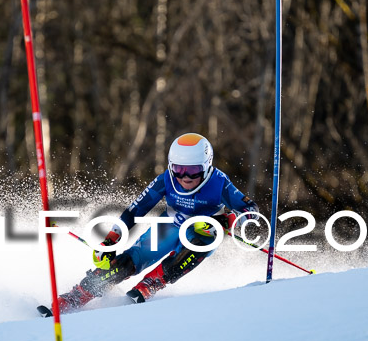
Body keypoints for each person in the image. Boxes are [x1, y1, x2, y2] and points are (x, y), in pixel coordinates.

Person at [38, 133, 259, 317]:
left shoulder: (219, 182)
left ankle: (152, 283)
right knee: (128, 261)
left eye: (192, 171)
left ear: (207, 166)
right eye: (178, 169)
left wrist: (228, 220)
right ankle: (77, 295)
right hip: (171, 223)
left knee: (199, 244)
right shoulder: (166, 179)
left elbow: (251, 212)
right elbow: (136, 209)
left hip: (204, 229)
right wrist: (112, 238)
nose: (185, 177)